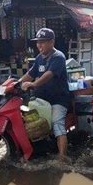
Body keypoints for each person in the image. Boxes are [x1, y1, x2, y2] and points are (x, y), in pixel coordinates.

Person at [19, 28, 71, 162]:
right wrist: (16, 83)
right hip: (42, 100)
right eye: (38, 42)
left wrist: (34, 84)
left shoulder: (58, 57)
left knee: (56, 123)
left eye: (42, 42)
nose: (39, 45)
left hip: (58, 100)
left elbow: (48, 75)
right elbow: (30, 74)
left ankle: (62, 157)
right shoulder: (39, 58)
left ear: (52, 42)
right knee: (29, 122)